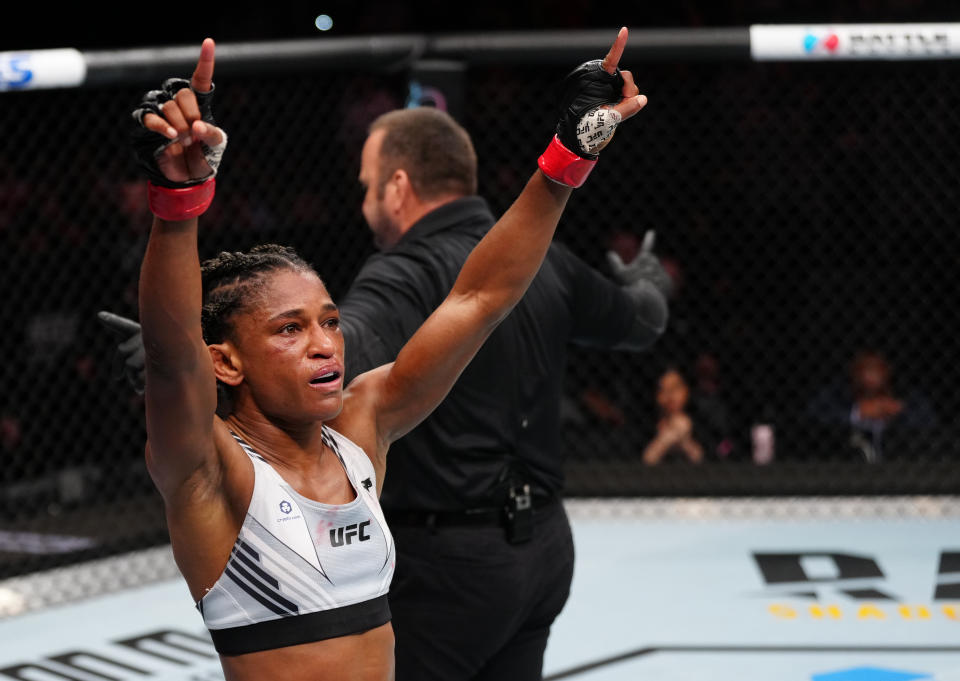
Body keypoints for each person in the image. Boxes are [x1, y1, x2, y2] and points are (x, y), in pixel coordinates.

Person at [124, 31, 646, 681]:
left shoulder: (361, 426)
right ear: (226, 362)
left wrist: (568, 155)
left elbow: (480, 297)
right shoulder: (211, 472)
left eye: (330, 321)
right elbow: (173, 358)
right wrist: (178, 200)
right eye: (289, 329)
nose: (323, 342)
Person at [641, 366, 706, 465]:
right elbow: (646, 460)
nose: (670, 395)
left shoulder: (703, 420)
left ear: (686, 391)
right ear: (656, 395)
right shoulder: (643, 424)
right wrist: (666, 439)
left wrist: (686, 443)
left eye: (675, 387)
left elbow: (724, 450)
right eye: (663, 389)